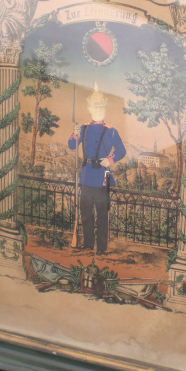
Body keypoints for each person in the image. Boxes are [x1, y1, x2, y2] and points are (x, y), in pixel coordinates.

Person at [68, 86, 126, 254]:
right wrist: (74, 134)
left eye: (102, 106)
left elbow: (121, 151)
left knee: (102, 213)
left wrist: (110, 159)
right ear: (89, 108)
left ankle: (101, 247)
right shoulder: (83, 128)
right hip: (87, 175)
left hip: (102, 175)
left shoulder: (111, 130)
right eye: (96, 106)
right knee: (86, 211)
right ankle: (88, 244)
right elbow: (71, 146)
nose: (99, 109)